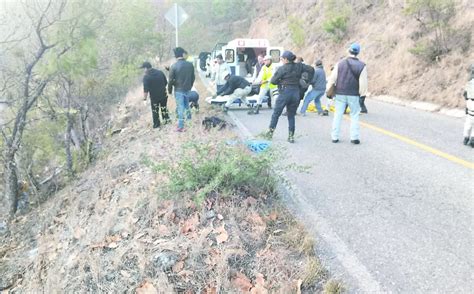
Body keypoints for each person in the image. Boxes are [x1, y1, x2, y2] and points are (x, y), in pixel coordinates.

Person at [264, 50, 314, 143]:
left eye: (282, 59)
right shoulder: (299, 66)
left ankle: (270, 132)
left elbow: (273, 81)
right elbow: (311, 69)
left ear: (286, 59)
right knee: (291, 116)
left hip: (284, 93)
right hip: (295, 93)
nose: (281, 60)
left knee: (276, 114)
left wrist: (281, 81)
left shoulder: (282, 68)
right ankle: (291, 136)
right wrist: (308, 81)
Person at [326, 43, 368, 144]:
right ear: (358, 52)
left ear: (349, 50)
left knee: (338, 115)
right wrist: (362, 95)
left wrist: (328, 91)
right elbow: (363, 83)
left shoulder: (339, 64)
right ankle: (354, 137)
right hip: (353, 94)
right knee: (354, 115)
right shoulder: (362, 66)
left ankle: (334, 137)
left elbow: (332, 79)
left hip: (340, 93)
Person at [168, 47, 195, 132]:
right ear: (183, 54)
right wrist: (190, 86)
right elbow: (193, 77)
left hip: (178, 89)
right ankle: (189, 121)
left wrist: (169, 90)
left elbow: (170, 80)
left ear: (175, 56)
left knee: (180, 107)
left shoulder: (174, 66)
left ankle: (181, 126)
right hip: (187, 88)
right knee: (186, 105)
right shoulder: (190, 65)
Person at [141, 61, 170, 128]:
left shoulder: (146, 77)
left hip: (154, 97)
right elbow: (165, 83)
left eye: (143, 69)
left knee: (155, 111)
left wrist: (145, 99)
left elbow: (146, 90)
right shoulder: (160, 72)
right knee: (164, 108)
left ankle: (157, 124)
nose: (144, 71)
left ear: (146, 68)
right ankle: (167, 120)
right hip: (163, 94)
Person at [463, 64, 474, 147]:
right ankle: (472, 140)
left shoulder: (469, 82)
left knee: (469, 121)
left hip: (469, 102)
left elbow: (465, 94)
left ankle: (466, 137)